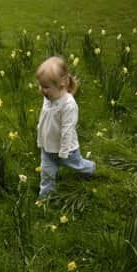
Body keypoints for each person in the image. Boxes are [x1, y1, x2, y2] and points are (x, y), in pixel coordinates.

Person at [35, 56, 95, 199]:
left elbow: (68, 129)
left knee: (78, 165)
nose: (42, 90)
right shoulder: (49, 97)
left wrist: (63, 152)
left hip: (67, 150)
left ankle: (90, 168)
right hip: (48, 148)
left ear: (61, 85)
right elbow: (45, 120)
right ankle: (45, 197)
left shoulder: (68, 105)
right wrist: (41, 140)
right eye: (41, 85)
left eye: (45, 86)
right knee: (46, 173)